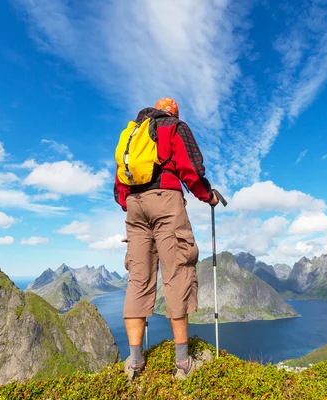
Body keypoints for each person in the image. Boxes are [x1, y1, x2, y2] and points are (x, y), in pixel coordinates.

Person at [114, 97, 219, 380]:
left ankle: (135, 361)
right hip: (166, 199)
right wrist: (207, 195)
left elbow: (119, 188)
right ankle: (182, 362)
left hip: (135, 206)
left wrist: (134, 205)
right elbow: (191, 169)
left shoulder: (132, 135)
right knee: (177, 271)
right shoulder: (173, 126)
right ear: (173, 112)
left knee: (138, 278)